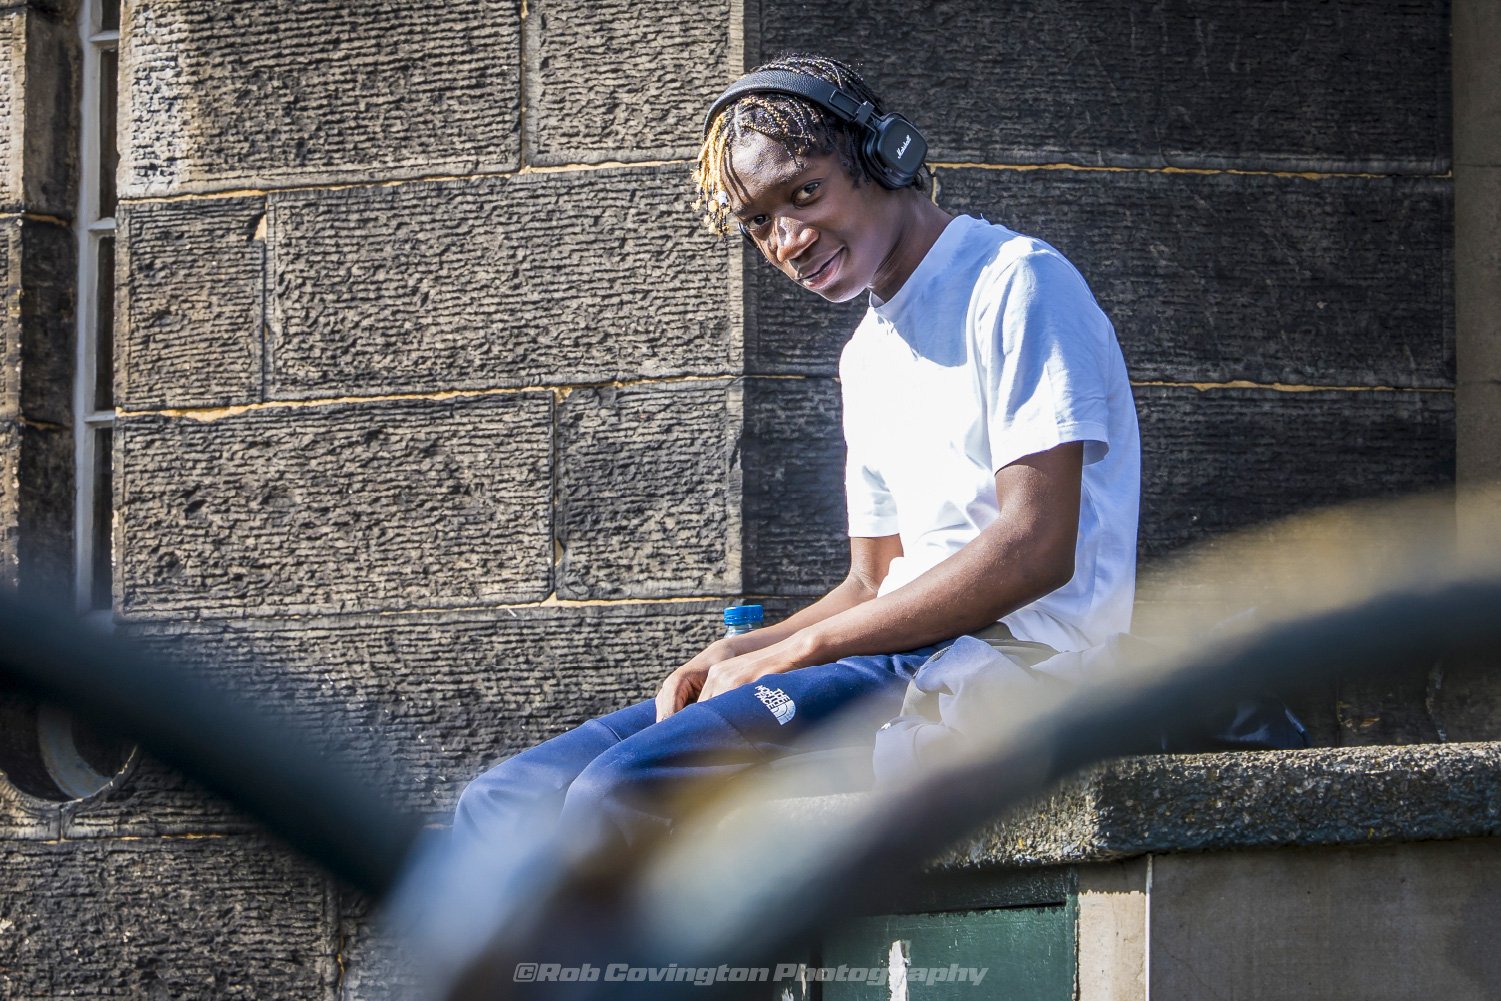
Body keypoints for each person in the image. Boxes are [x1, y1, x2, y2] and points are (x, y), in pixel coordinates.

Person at [452, 53, 1140, 863]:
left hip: (1012, 666)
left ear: (885, 156)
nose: (787, 240)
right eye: (757, 222)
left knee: (625, 789)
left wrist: (801, 649)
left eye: (803, 192)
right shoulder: (866, 354)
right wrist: (746, 647)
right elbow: (872, 583)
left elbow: (1033, 547)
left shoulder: (1016, 281)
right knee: (502, 799)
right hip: (885, 653)